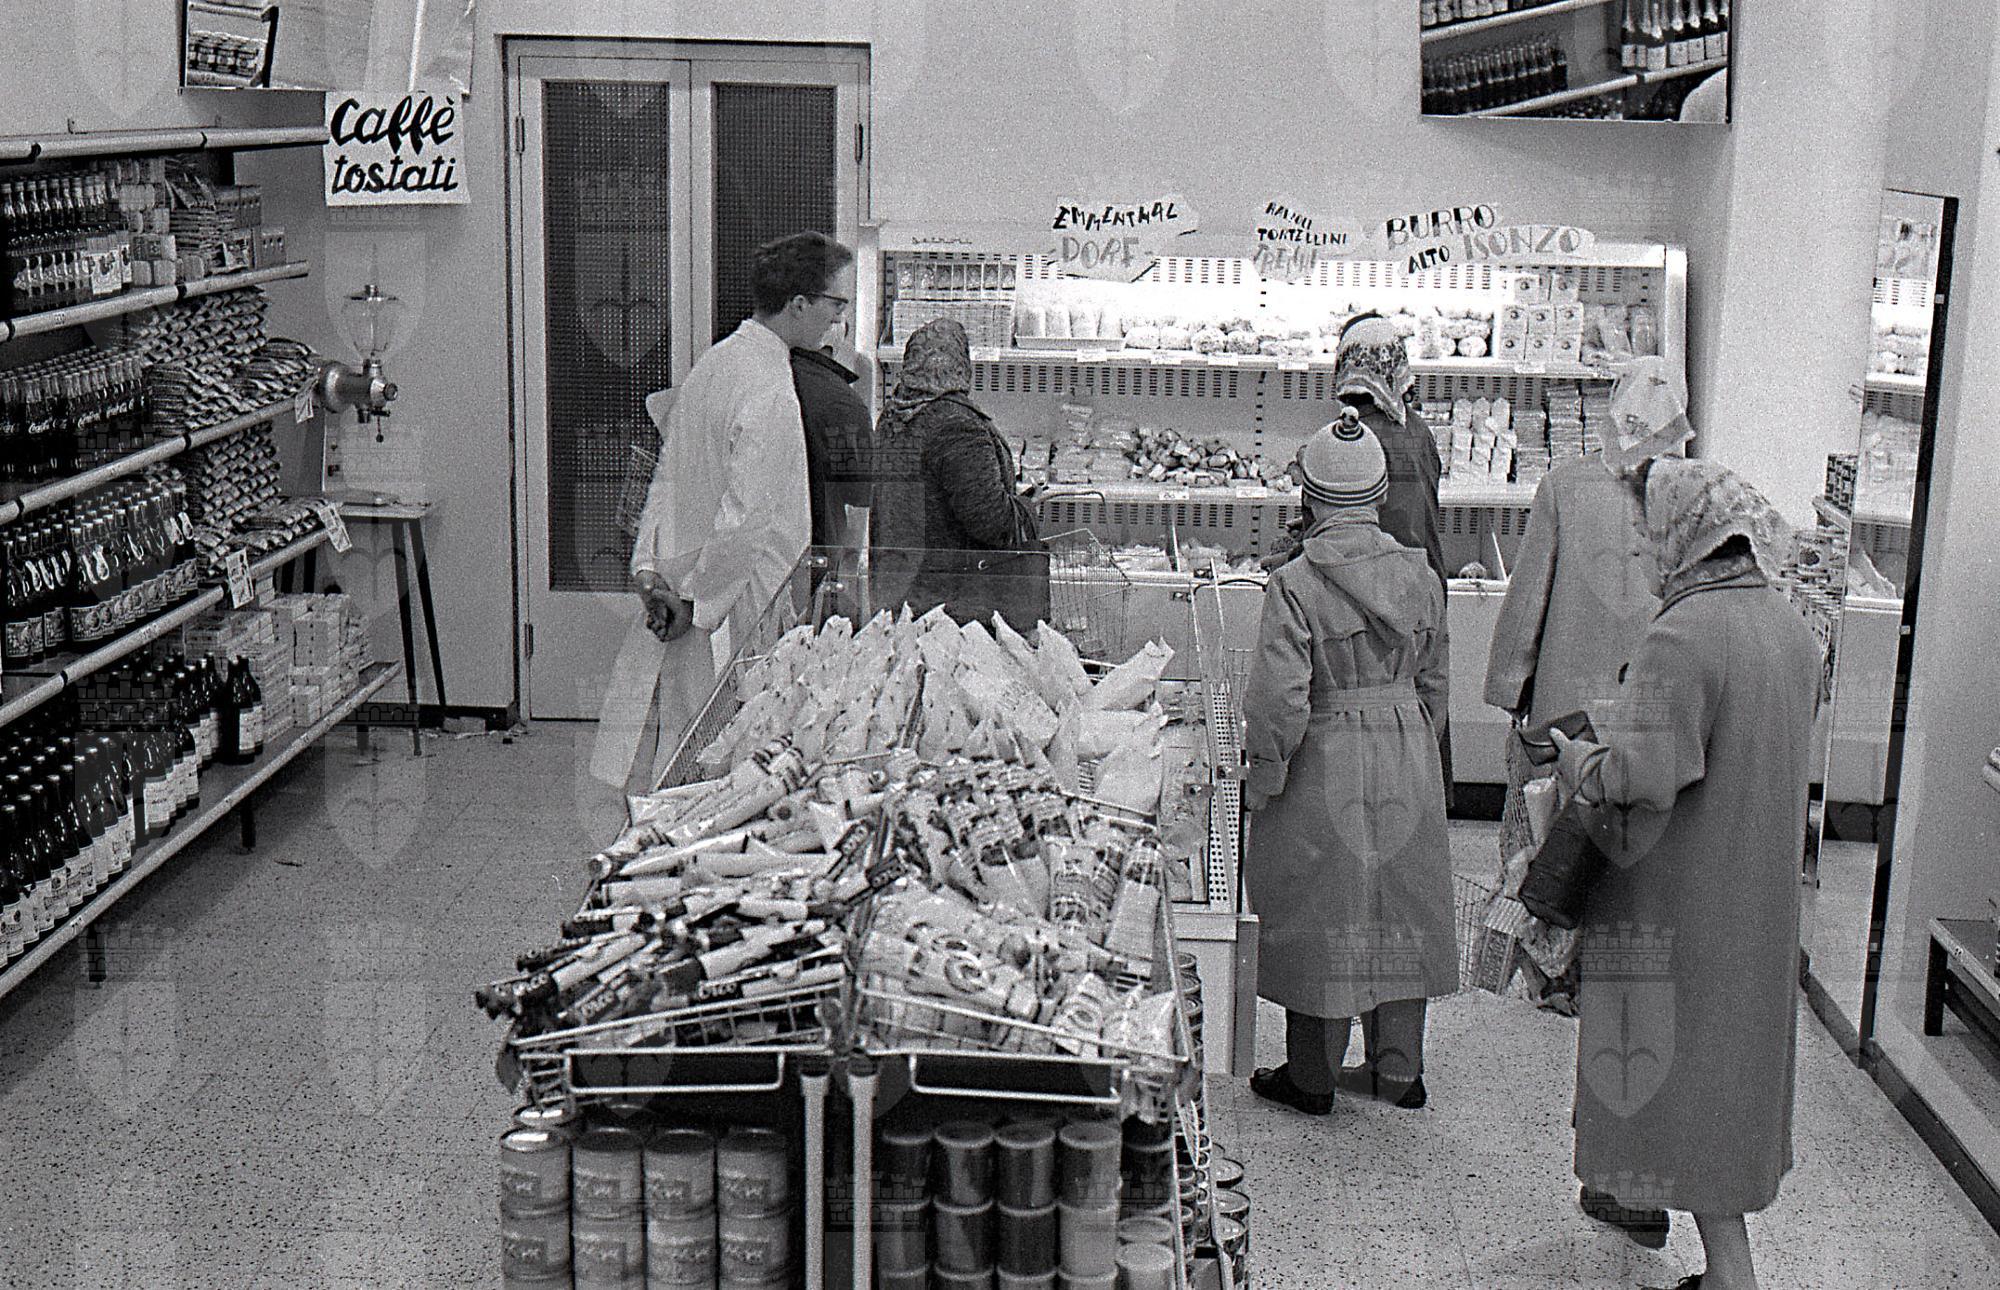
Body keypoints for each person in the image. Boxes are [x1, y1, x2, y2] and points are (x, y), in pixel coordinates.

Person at [1545, 459, 1817, 1290]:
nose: (1642, 549)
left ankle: (1733, 1277)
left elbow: (1639, 778)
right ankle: (1727, 1267)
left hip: (1680, 898)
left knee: (1680, 1084)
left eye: (1648, 533)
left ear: (1682, 535)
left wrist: (1578, 759)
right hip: (1757, 898)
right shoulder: (1789, 628)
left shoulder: (1682, 636)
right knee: (1727, 1084)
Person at [1242, 414, 1457, 1117]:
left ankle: (1312, 1076)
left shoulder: (1296, 584)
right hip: (1404, 742)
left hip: (1325, 751)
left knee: (1321, 907)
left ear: (1308, 497)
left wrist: (1264, 775)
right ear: (1380, 495)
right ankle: (1399, 1071)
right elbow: (1435, 681)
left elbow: (1279, 700)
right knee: (1400, 904)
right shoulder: (1421, 575)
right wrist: (1417, 743)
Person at [590, 231, 854, 793]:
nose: (839, 320)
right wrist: (696, 601)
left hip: (692, 590)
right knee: (731, 766)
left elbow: (663, 476)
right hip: (735, 609)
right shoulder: (769, 387)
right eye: (836, 304)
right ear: (799, 303)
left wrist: (650, 572)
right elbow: (746, 520)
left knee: (684, 748)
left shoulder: (714, 365)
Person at [1485, 357, 1694, 1023]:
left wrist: (1510, 685)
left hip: (1564, 702)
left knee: (1547, 834)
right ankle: (1611, 966)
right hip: (1646, 703)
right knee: (1624, 838)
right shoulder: (1692, 495)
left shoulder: (1565, 485)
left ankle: (1550, 971)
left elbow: (1530, 595)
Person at [1327, 313, 1454, 800]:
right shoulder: (1419, 432)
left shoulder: (1350, 435)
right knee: (1420, 715)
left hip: (1359, 596)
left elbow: (1339, 525)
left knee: (1363, 724)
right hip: (1421, 588)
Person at [870, 318, 1048, 631]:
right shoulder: (957, 426)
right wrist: (1026, 507)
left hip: (902, 590)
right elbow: (991, 522)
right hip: (954, 607)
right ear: (962, 364)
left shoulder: (893, 418)